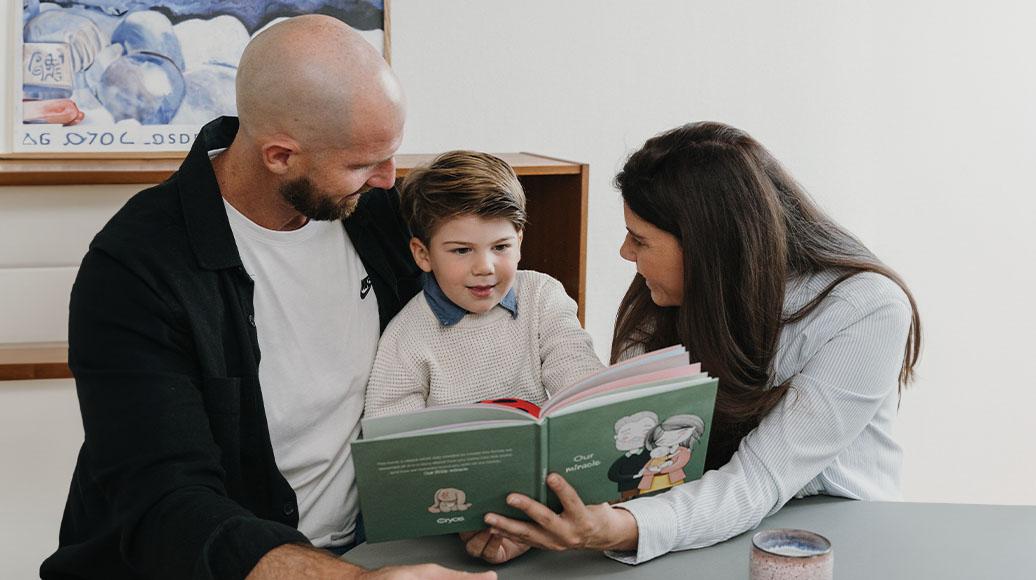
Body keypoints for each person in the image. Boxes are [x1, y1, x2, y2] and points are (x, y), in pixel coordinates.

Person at [42, 15, 493, 580]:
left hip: (365, 548)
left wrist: (477, 501)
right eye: (362, 163)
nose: (388, 178)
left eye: (391, 153)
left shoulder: (376, 215)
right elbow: (166, 502)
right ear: (279, 156)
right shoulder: (136, 267)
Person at [467, 121, 922, 565]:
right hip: (700, 523)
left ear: (707, 247)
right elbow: (635, 462)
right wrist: (540, 521)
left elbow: (761, 476)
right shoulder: (662, 298)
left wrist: (623, 527)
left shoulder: (866, 307)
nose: (625, 252)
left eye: (640, 238)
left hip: (832, 537)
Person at [363, 150, 604, 418]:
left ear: (519, 242)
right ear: (423, 254)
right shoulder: (405, 337)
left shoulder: (541, 296)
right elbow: (393, 438)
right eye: (462, 251)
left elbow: (575, 367)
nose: (484, 267)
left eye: (501, 247)